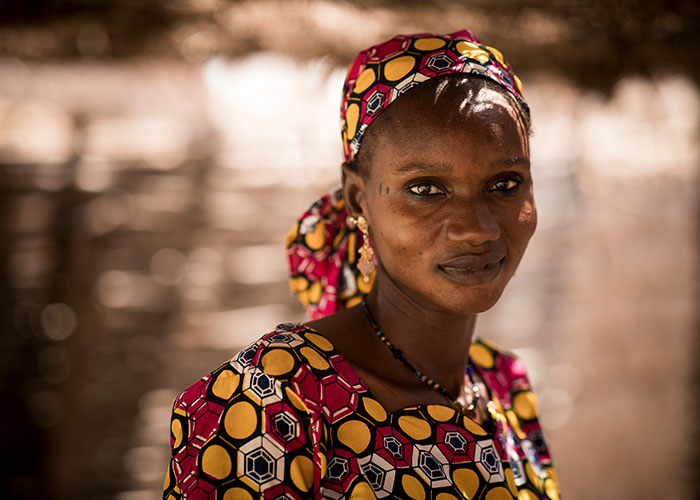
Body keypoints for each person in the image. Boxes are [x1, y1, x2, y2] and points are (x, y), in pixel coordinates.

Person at [163, 30, 560, 500]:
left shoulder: (504, 385)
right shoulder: (269, 400)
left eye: (505, 183)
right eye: (426, 189)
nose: (478, 228)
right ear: (358, 198)